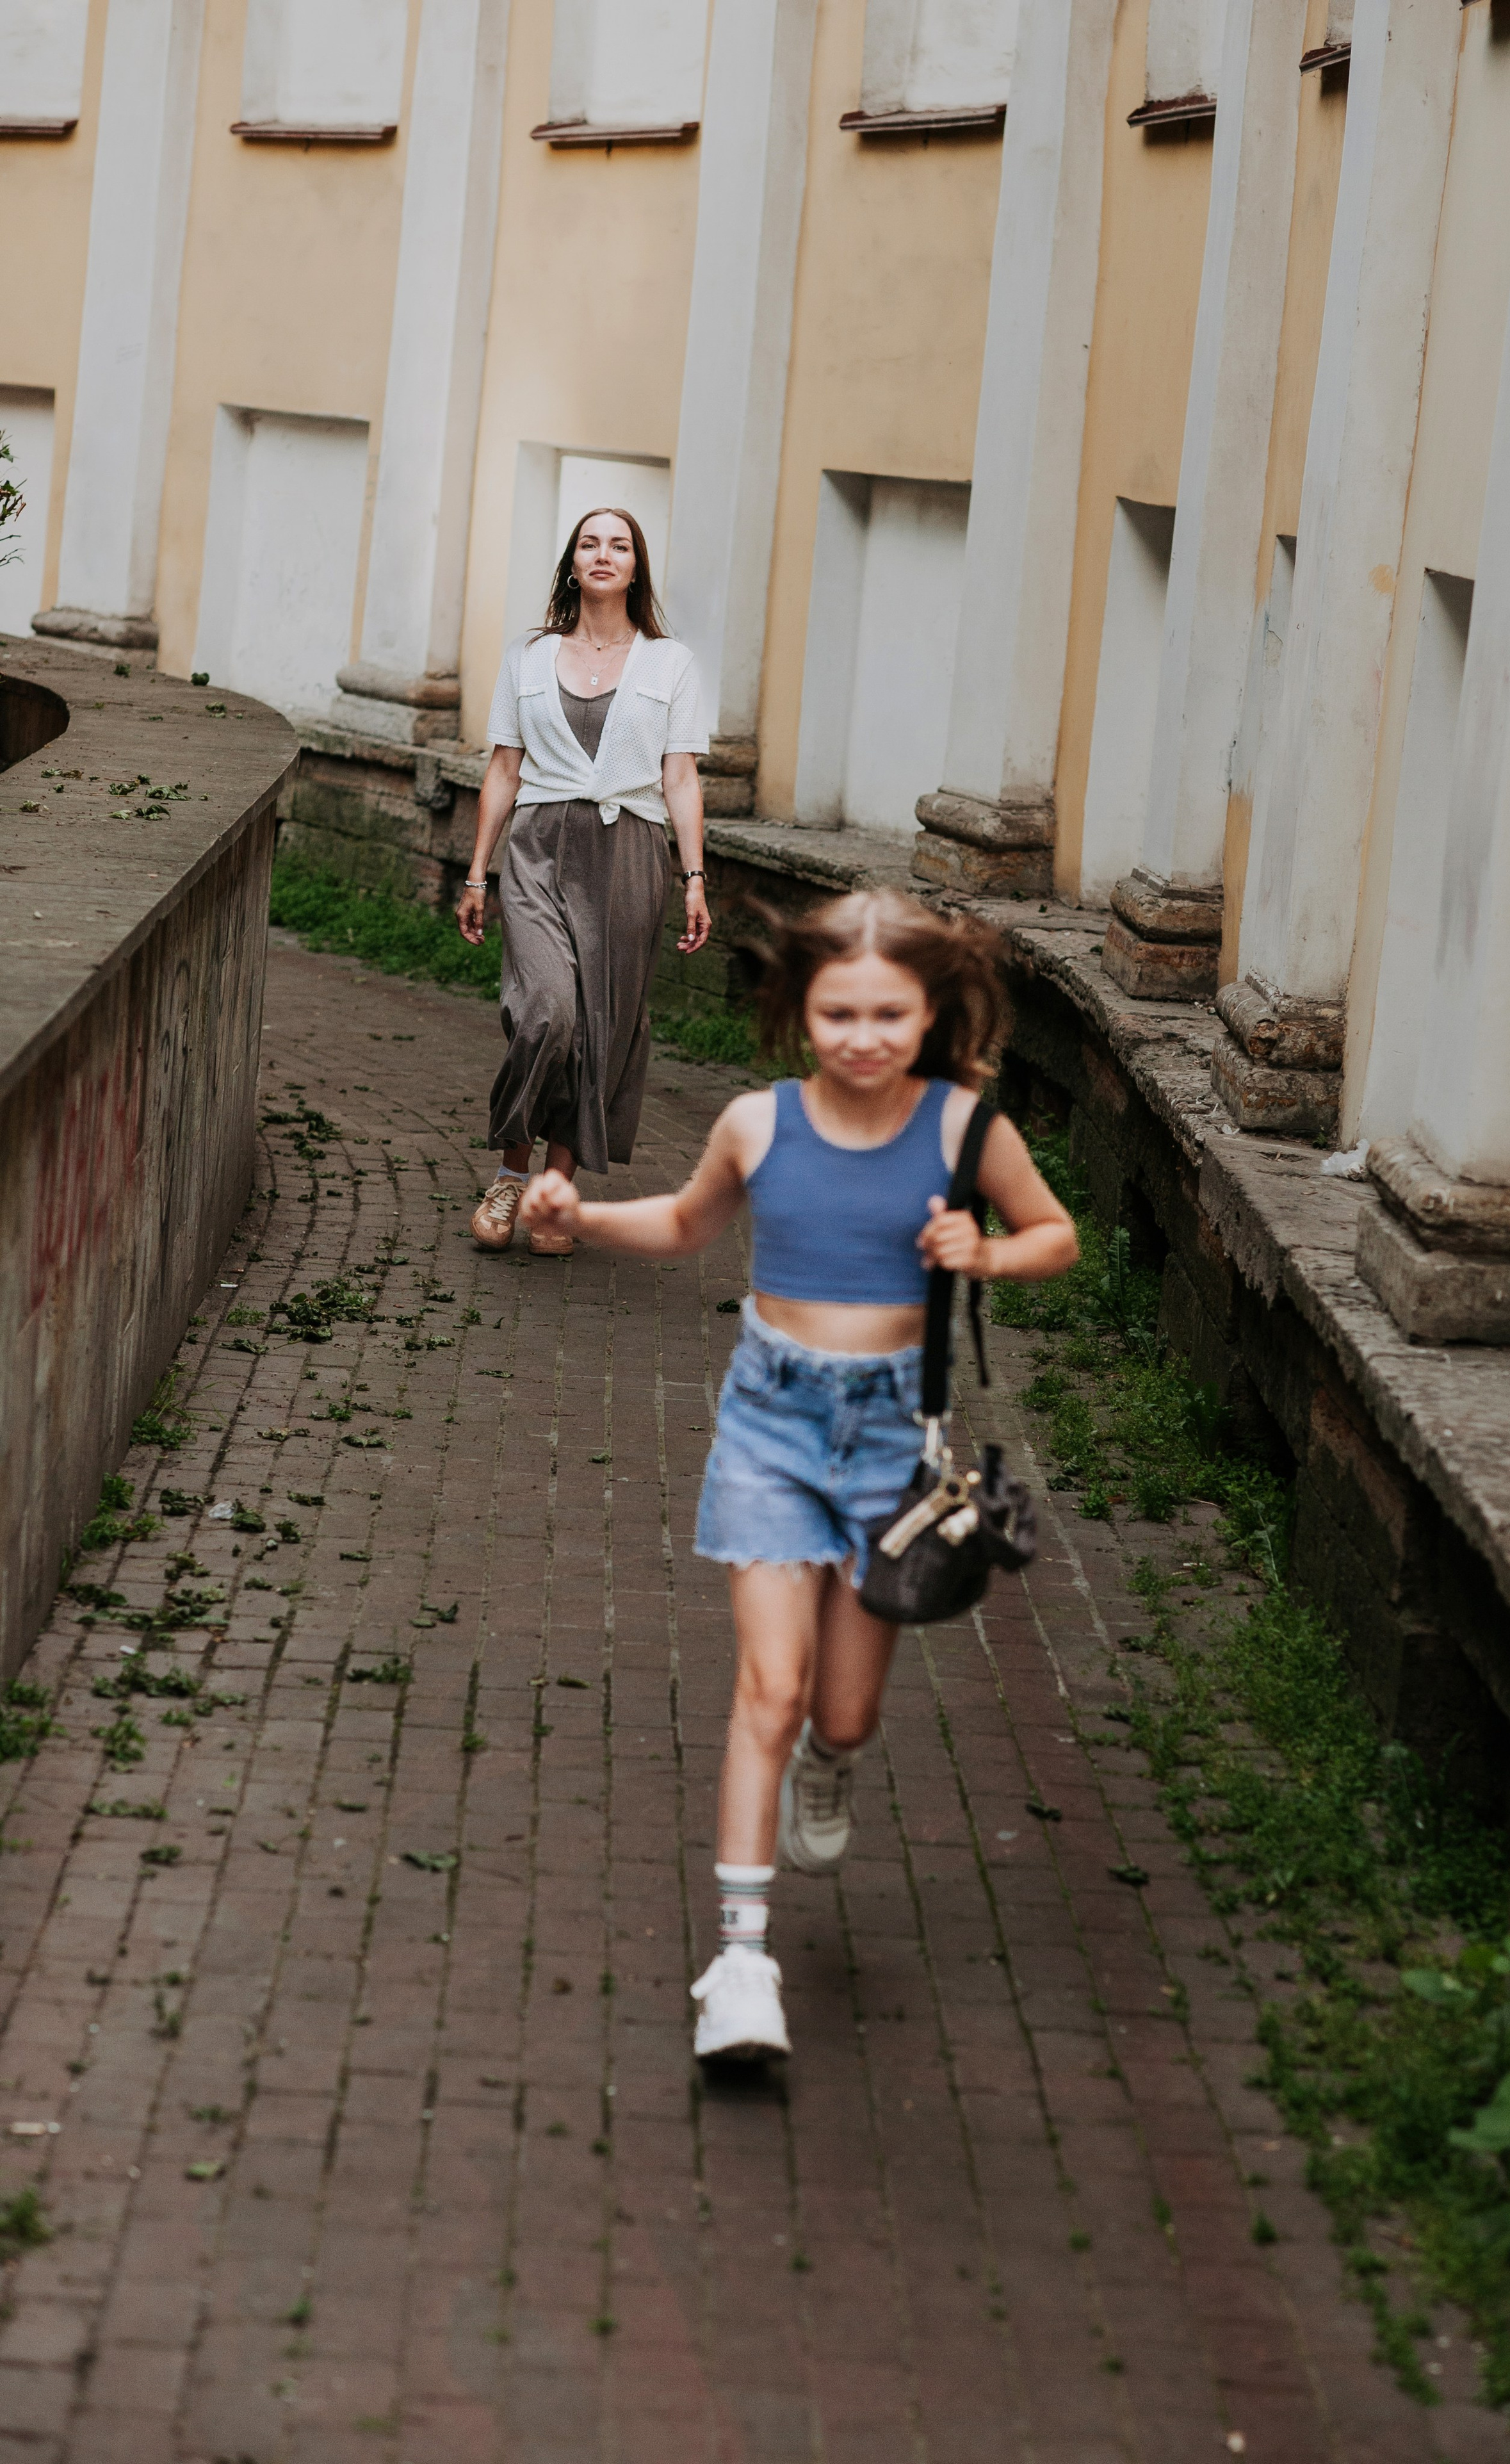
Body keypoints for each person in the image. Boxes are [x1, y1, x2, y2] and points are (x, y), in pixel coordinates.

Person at [517, 890, 1078, 2060]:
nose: (863, 1036)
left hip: (889, 1447)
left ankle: (833, 1767)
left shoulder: (967, 1131)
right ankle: (740, 1962)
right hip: (771, 1424)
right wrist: (580, 1210)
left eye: (888, 1013)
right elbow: (682, 1226)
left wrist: (990, 1249)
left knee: (844, 1711)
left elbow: (1056, 1235)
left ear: (927, 1014)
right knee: (767, 1689)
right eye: (839, 1012)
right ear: (799, 1009)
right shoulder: (757, 1124)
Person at [458, 507, 712, 1256]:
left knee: (602, 1030)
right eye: (590, 543)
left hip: (630, 855)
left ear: (636, 568)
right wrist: (478, 871)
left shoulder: (672, 664)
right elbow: (503, 770)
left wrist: (694, 877)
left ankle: (554, 1195)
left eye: (620, 544)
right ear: (573, 563)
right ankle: (511, 1173)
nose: (604, 554)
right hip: (538, 848)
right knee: (547, 1011)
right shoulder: (529, 658)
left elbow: (682, 778)